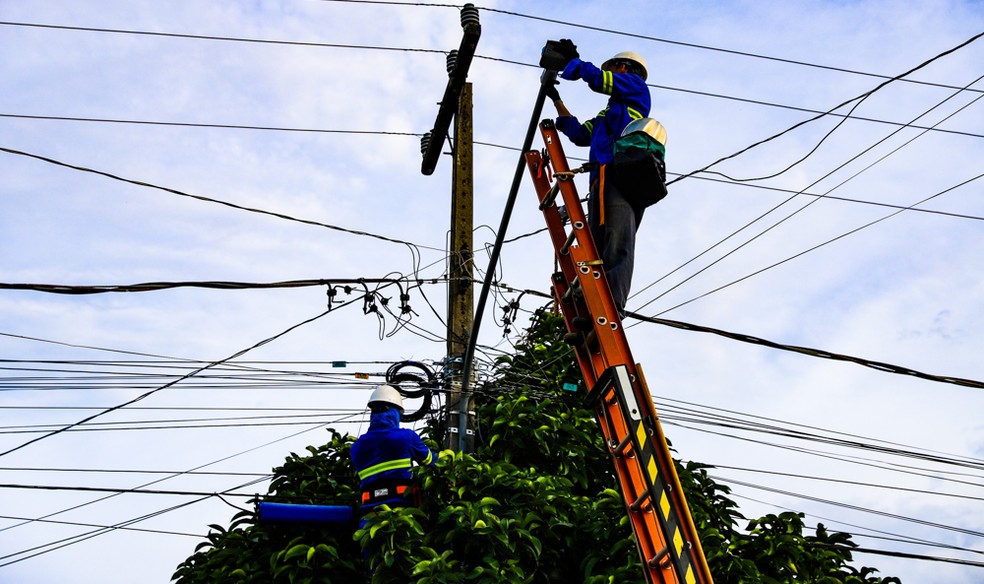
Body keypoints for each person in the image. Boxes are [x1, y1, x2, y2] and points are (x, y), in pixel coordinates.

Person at [546, 40, 653, 317]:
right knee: (595, 244)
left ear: (626, 68)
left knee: (617, 241)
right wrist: (557, 99)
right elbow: (582, 134)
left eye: (616, 68)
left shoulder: (636, 87)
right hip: (600, 180)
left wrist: (574, 63)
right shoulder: (610, 113)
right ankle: (592, 306)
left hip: (622, 177)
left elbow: (598, 80)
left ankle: (613, 305)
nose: (614, 72)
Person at [350, 384, 436, 512]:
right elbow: (431, 461)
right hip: (402, 510)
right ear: (394, 412)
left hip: (369, 513)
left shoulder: (356, 447)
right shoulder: (406, 437)